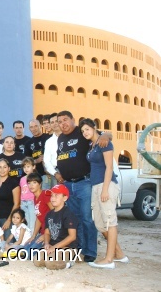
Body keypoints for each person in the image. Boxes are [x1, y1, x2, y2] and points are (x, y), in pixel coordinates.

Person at [55, 110, 110, 263]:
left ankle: (90, 252)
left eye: (65, 120)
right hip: (68, 185)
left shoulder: (81, 132)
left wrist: (106, 135)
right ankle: (78, 249)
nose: (63, 124)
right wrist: (59, 172)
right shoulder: (60, 138)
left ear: (73, 120)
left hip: (84, 183)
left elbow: (101, 135)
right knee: (74, 220)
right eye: (60, 121)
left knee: (87, 219)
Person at [80, 118, 127, 269]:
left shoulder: (104, 142)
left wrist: (106, 189)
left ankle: (109, 260)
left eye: (87, 129)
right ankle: (119, 254)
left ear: (94, 128)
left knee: (110, 221)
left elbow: (109, 167)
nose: (85, 132)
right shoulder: (91, 145)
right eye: (83, 131)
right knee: (100, 224)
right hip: (95, 186)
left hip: (106, 185)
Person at [33, 184, 79, 270]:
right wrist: (47, 243)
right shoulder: (49, 214)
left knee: (50, 263)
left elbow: (72, 237)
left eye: (56, 195)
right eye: (52, 195)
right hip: (53, 246)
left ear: (65, 198)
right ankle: (56, 257)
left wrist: (55, 247)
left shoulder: (68, 214)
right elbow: (47, 233)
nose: (53, 198)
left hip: (67, 248)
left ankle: (69, 263)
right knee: (37, 261)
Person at [23, 172, 54, 254]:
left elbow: (55, 214)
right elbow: (39, 218)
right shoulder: (35, 198)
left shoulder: (45, 194)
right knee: (25, 249)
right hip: (42, 231)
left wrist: (46, 235)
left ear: (40, 184)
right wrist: (33, 236)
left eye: (34, 182)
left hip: (51, 233)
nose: (31, 185)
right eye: (29, 183)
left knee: (30, 254)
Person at [24, 119, 51, 189]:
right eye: (31, 127)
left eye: (36, 126)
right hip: (36, 177)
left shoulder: (48, 138)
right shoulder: (28, 143)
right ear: (29, 129)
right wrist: (36, 161)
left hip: (50, 174)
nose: (34, 129)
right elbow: (27, 161)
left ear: (40, 126)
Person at [43, 112, 61, 189]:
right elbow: (46, 161)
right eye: (52, 122)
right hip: (55, 173)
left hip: (69, 171)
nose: (54, 124)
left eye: (56, 121)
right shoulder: (49, 142)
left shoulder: (69, 137)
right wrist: (55, 173)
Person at [19, 157, 37, 232]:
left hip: (32, 202)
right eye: (24, 167)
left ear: (33, 166)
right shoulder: (22, 179)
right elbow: (21, 190)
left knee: (32, 223)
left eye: (28, 166)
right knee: (27, 222)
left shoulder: (36, 177)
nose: (26, 169)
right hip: (23, 202)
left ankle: (32, 240)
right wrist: (20, 203)